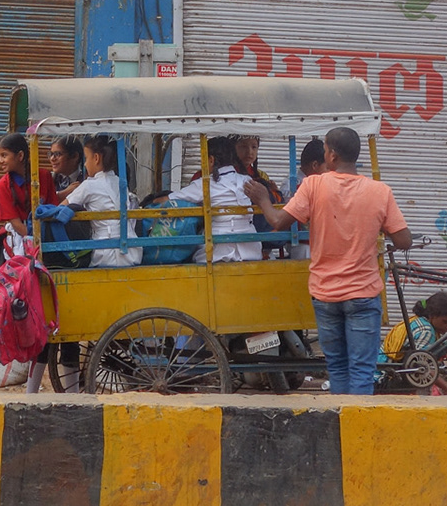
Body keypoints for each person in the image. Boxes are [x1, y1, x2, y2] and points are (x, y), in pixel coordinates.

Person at [246, 126, 411, 395]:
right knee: (361, 370)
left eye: (324, 149)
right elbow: (404, 240)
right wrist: (376, 226)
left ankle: (340, 429)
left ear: (332, 155)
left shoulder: (313, 185)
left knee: (338, 368)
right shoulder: (380, 192)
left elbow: (277, 222)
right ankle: (357, 430)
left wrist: (263, 199)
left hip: (326, 294)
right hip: (363, 294)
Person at [38, 134, 141, 268]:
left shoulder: (89, 185)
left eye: (86, 159)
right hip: (132, 250)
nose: (85, 164)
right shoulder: (120, 182)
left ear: (96, 158)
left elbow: (61, 208)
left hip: (105, 252)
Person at [169, 135, 258, 263]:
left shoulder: (204, 184)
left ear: (211, 160)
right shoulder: (247, 180)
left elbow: (170, 199)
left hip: (216, 253)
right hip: (250, 250)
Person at [383, 292, 447, 394]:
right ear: (432, 316)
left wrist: (445, 346)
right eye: (445, 322)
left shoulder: (419, 321)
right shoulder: (426, 331)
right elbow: (423, 368)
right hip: (387, 379)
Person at [0, 133, 56, 241]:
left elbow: (53, 208)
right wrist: (34, 240)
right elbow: (16, 223)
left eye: (4, 155)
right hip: (21, 237)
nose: (0, 161)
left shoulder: (44, 176)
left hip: (48, 234)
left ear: (20, 156)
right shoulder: (3, 185)